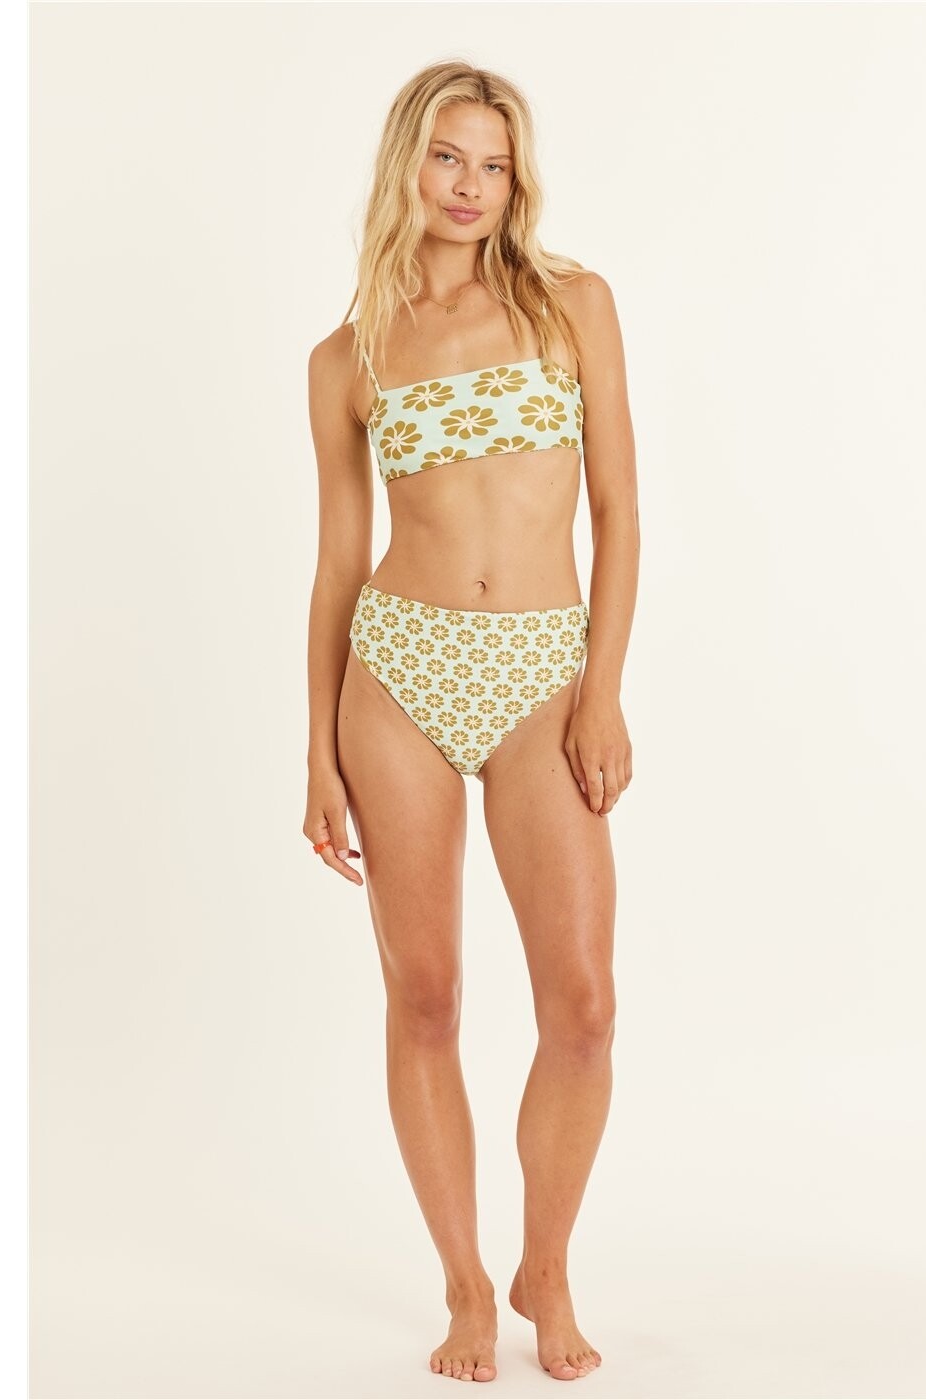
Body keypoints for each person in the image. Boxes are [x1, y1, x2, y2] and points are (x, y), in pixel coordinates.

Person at [303, 60, 638, 1384]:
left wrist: (602, 687)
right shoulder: (346, 358)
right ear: (409, 163)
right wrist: (316, 745)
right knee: (426, 992)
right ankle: (462, 1285)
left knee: (585, 1006)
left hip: (545, 670)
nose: (470, 186)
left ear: (517, 181)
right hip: (397, 671)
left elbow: (619, 509)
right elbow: (339, 562)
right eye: (448, 157)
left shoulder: (573, 305)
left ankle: (544, 1267)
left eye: (493, 165)